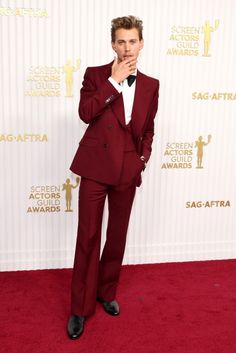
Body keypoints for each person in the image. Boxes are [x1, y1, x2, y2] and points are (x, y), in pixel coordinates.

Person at [67, 15, 159, 339]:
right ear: (113, 45)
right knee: (88, 237)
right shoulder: (96, 75)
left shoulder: (151, 85)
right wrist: (114, 80)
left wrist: (142, 161)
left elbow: (147, 130)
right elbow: (85, 113)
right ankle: (79, 308)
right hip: (94, 169)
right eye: (121, 41)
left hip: (126, 171)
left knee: (116, 237)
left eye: (132, 41)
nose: (127, 47)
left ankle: (106, 293)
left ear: (141, 43)